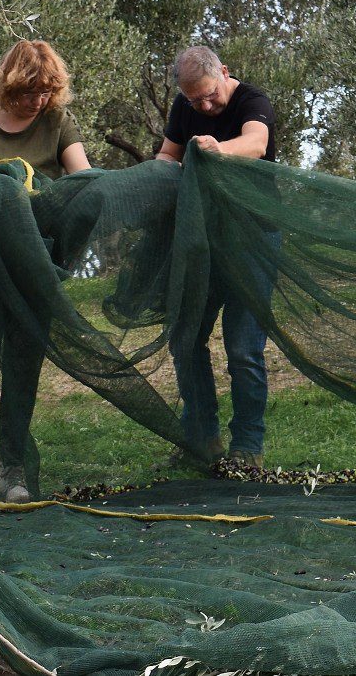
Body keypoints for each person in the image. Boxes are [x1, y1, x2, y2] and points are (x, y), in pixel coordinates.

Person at [0, 40, 93, 504]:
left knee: (22, 362)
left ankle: (12, 471)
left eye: (48, 91)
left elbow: (82, 180)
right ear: (10, 85)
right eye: (31, 90)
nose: (39, 100)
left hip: (33, 264)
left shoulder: (56, 122)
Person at [155, 45, 277, 470]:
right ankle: (201, 439)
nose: (204, 106)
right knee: (186, 339)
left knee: (243, 349)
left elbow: (256, 144)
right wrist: (163, 171)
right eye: (195, 101)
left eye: (210, 96)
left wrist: (216, 148)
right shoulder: (184, 106)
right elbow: (167, 155)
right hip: (202, 241)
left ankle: (247, 448)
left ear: (224, 73)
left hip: (253, 240)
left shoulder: (252, 100)